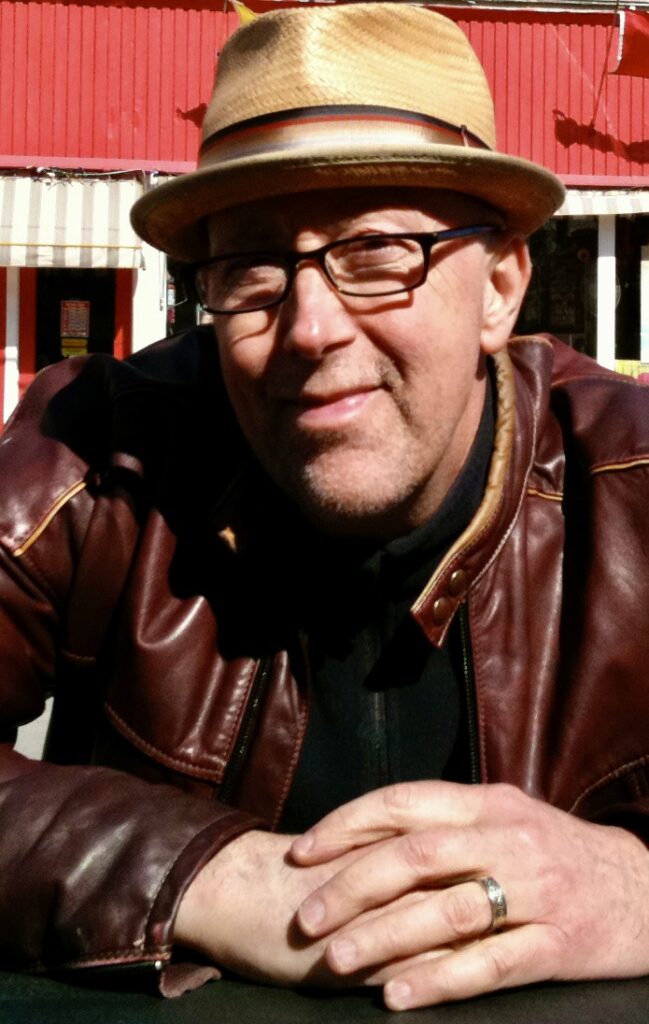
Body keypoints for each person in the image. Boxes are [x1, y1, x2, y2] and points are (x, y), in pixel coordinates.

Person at [1, 2, 649, 1011]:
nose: (308, 328)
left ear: (501, 289)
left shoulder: (634, 486)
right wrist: (199, 874)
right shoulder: (98, 457)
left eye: (378, 252)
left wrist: (632, 886)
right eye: (252, 268)